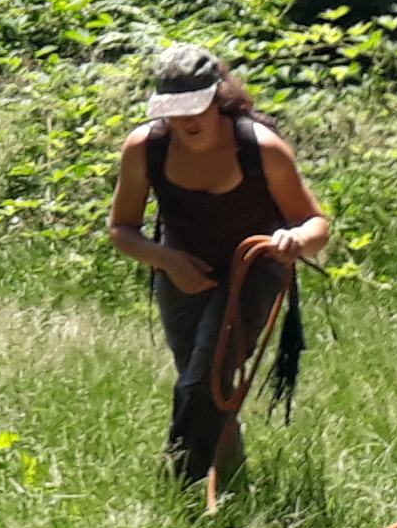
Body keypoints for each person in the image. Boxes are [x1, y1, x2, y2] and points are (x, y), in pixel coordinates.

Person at [107, 44, 334, 487]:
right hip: (179, 276)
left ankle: (183, 492)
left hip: (253, 272)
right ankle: (230, 483)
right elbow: (123, 229)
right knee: (208, 384)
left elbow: (316, 224)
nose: (186, 120)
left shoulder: (261, 147)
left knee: (203, 383)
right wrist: (167, 260)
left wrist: (294, 240)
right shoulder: (145, 147)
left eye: (196, 107)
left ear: (218, 98)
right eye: (174, 109)